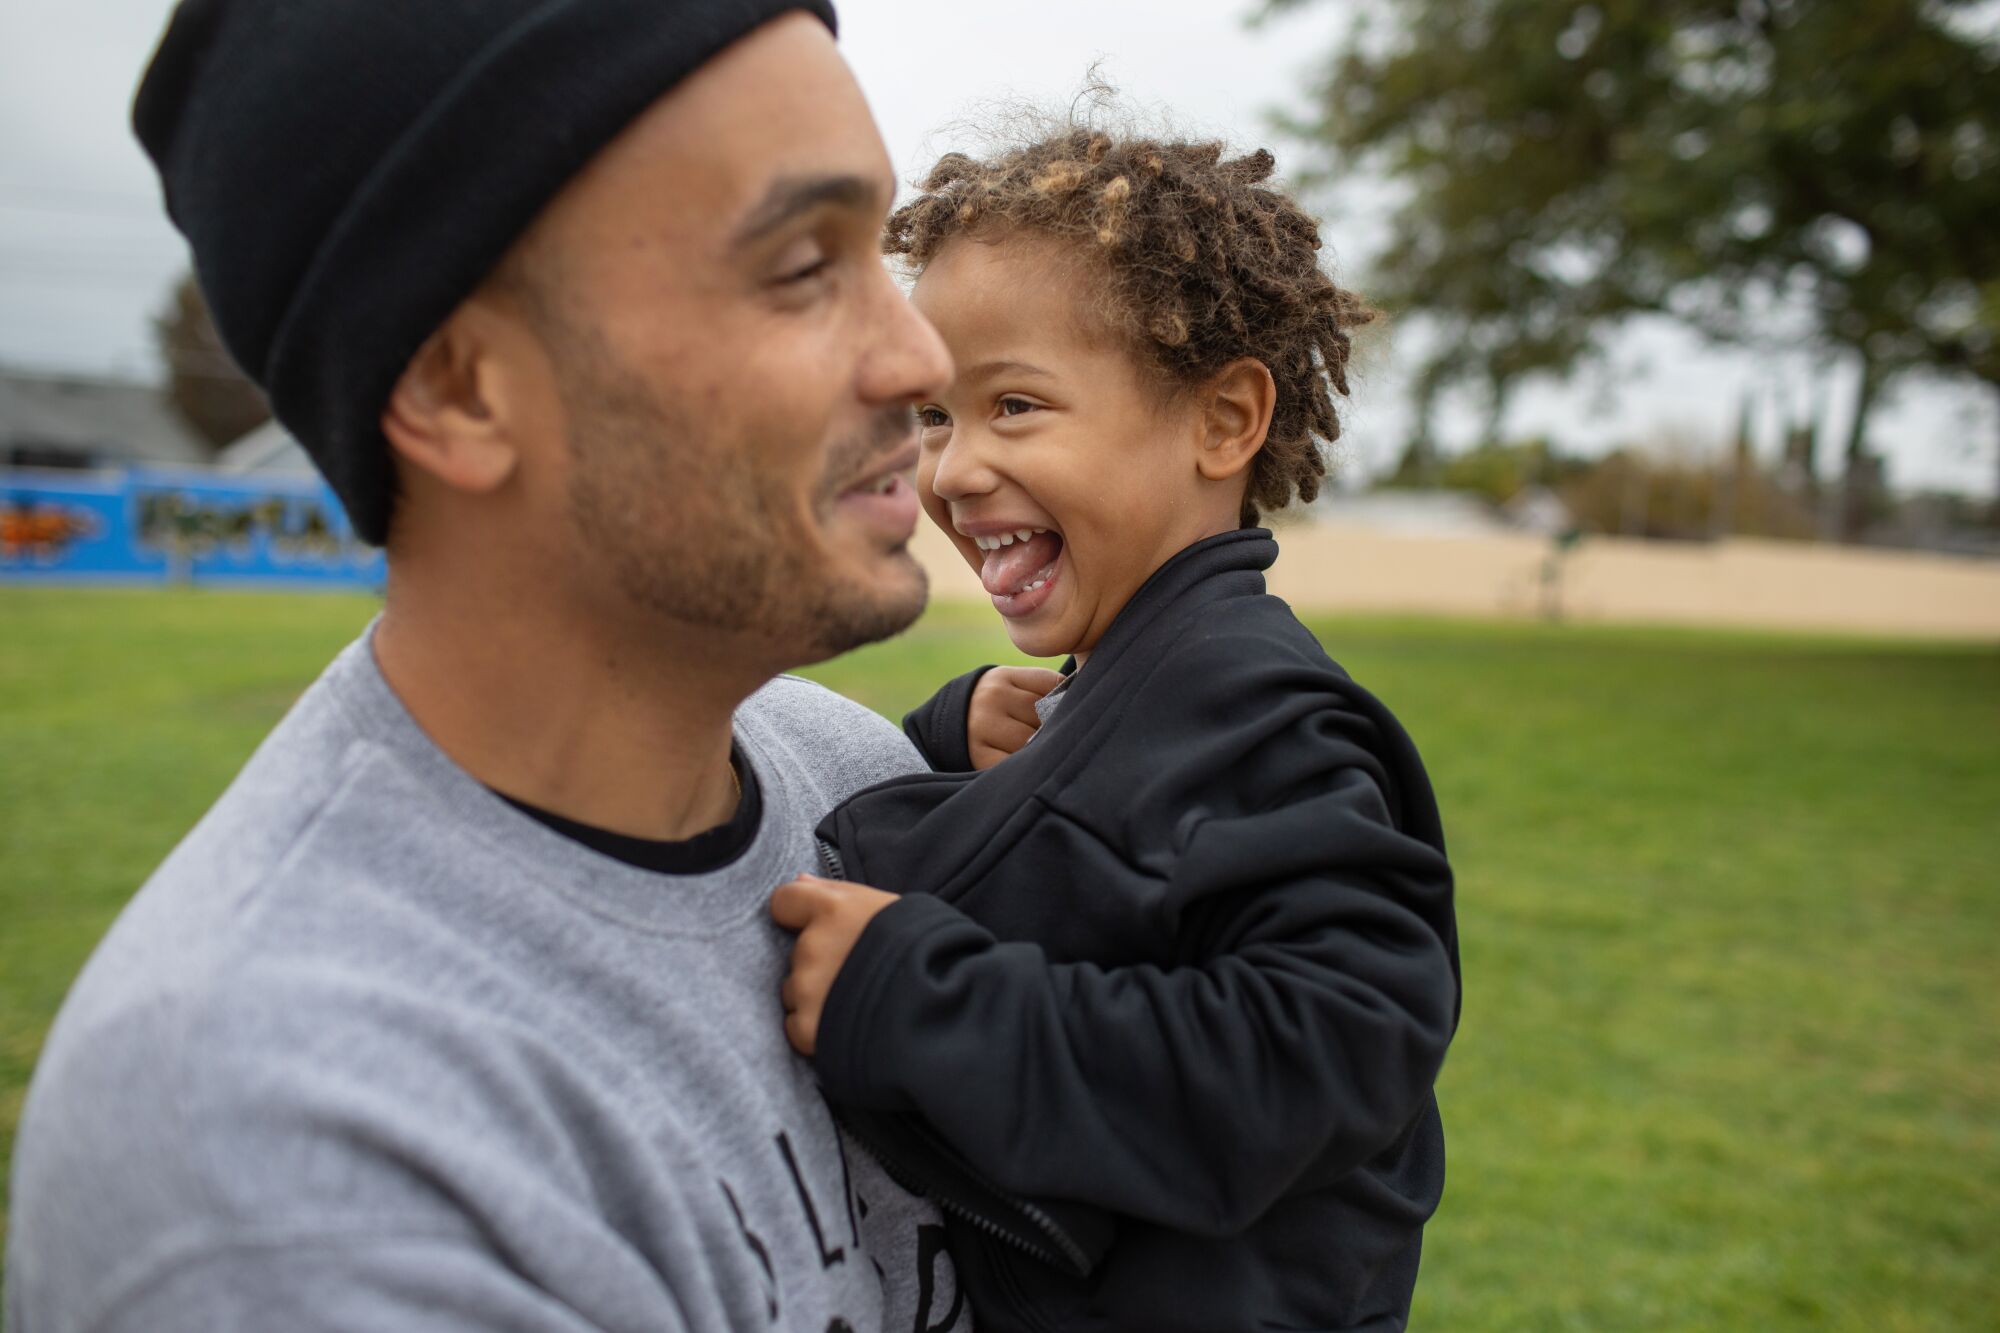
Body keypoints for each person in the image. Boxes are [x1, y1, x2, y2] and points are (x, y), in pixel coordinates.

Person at [4, 4, 972, 1331]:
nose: (922, 359)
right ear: (459, 390)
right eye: (805, 265)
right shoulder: (278, 1145)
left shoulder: (865, 786)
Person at [769, 130, 1461, 1332]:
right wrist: (952, 736)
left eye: (1016, 405)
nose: (955, 467)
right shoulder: (1132, 681)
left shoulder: (1253, 709)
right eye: (935, 413)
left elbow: (1330, 1050)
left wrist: (923, 1003)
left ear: (1224, 419)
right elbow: (1096, 870)